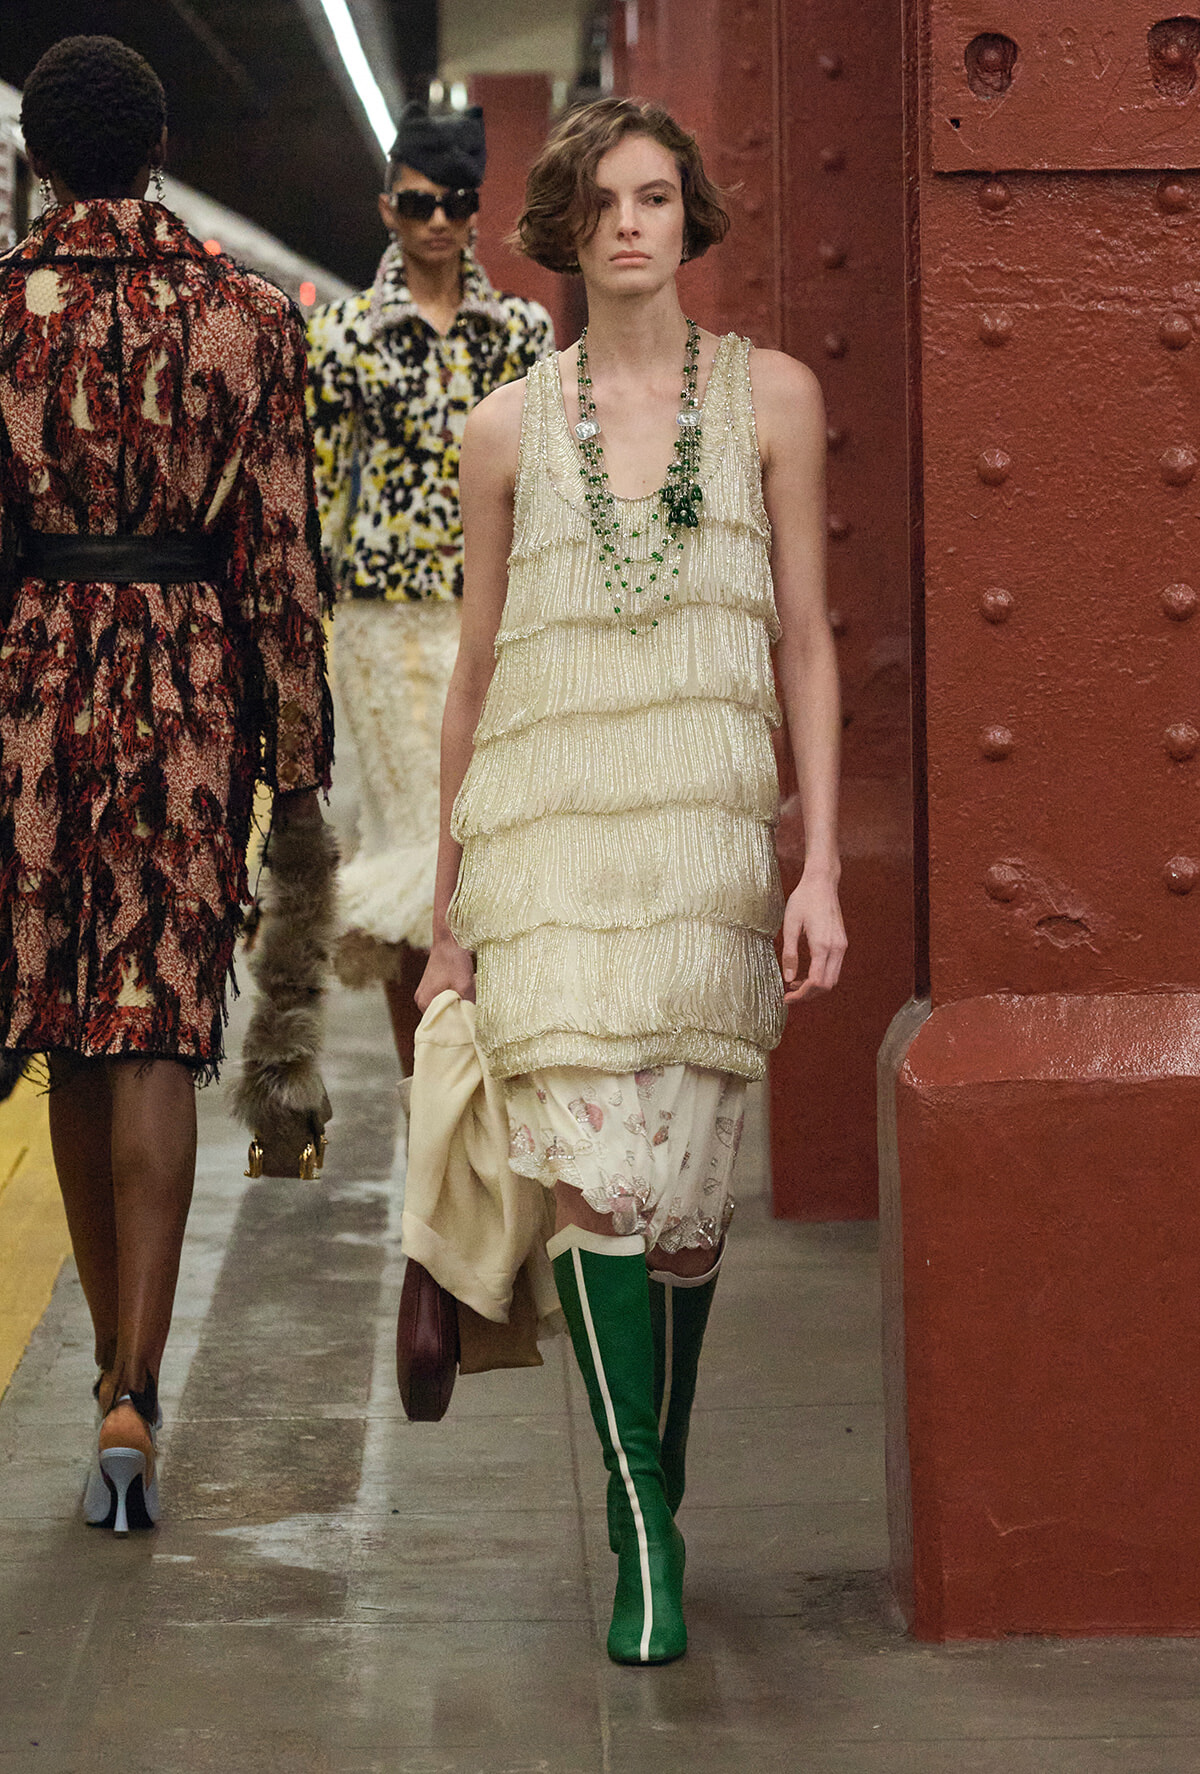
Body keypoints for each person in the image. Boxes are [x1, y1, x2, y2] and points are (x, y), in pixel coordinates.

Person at [417, 97, 846, 1664]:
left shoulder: (775, 399)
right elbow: (473, 675)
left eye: (654, 197)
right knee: (593, 1181)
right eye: (600, 202)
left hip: (707, 843)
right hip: (547, 841)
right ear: (560, 226)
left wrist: (821, 862)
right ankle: (643, 1526)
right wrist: (451, 914)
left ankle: (654, 1475)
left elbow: (808, 641)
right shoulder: (505, 430)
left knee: (685, 1214)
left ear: (690, 215)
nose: (628, 225)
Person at [0, 36, 333, 1532]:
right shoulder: (247, 315)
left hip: (36, 685)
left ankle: (101, 1386)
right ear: (158, 151)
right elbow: (282, 559)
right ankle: (141, 1380)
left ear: (39, 161)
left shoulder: (2, 311)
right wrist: (299, 771)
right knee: (155, 1030)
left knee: (71, 1028)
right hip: (191, 683)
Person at [307, 100, 553, 1076]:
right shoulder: (342, 335)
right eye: (418, 204)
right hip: (385, 628)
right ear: (387, 207)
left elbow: (551, 482)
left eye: (455, 201)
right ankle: (433, 1099)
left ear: (476, 208)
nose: (438, 220)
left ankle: (493, 1091)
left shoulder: (522, 334)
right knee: (423, 845)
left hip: (506, 620)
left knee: (499, 845)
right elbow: (319, 485)